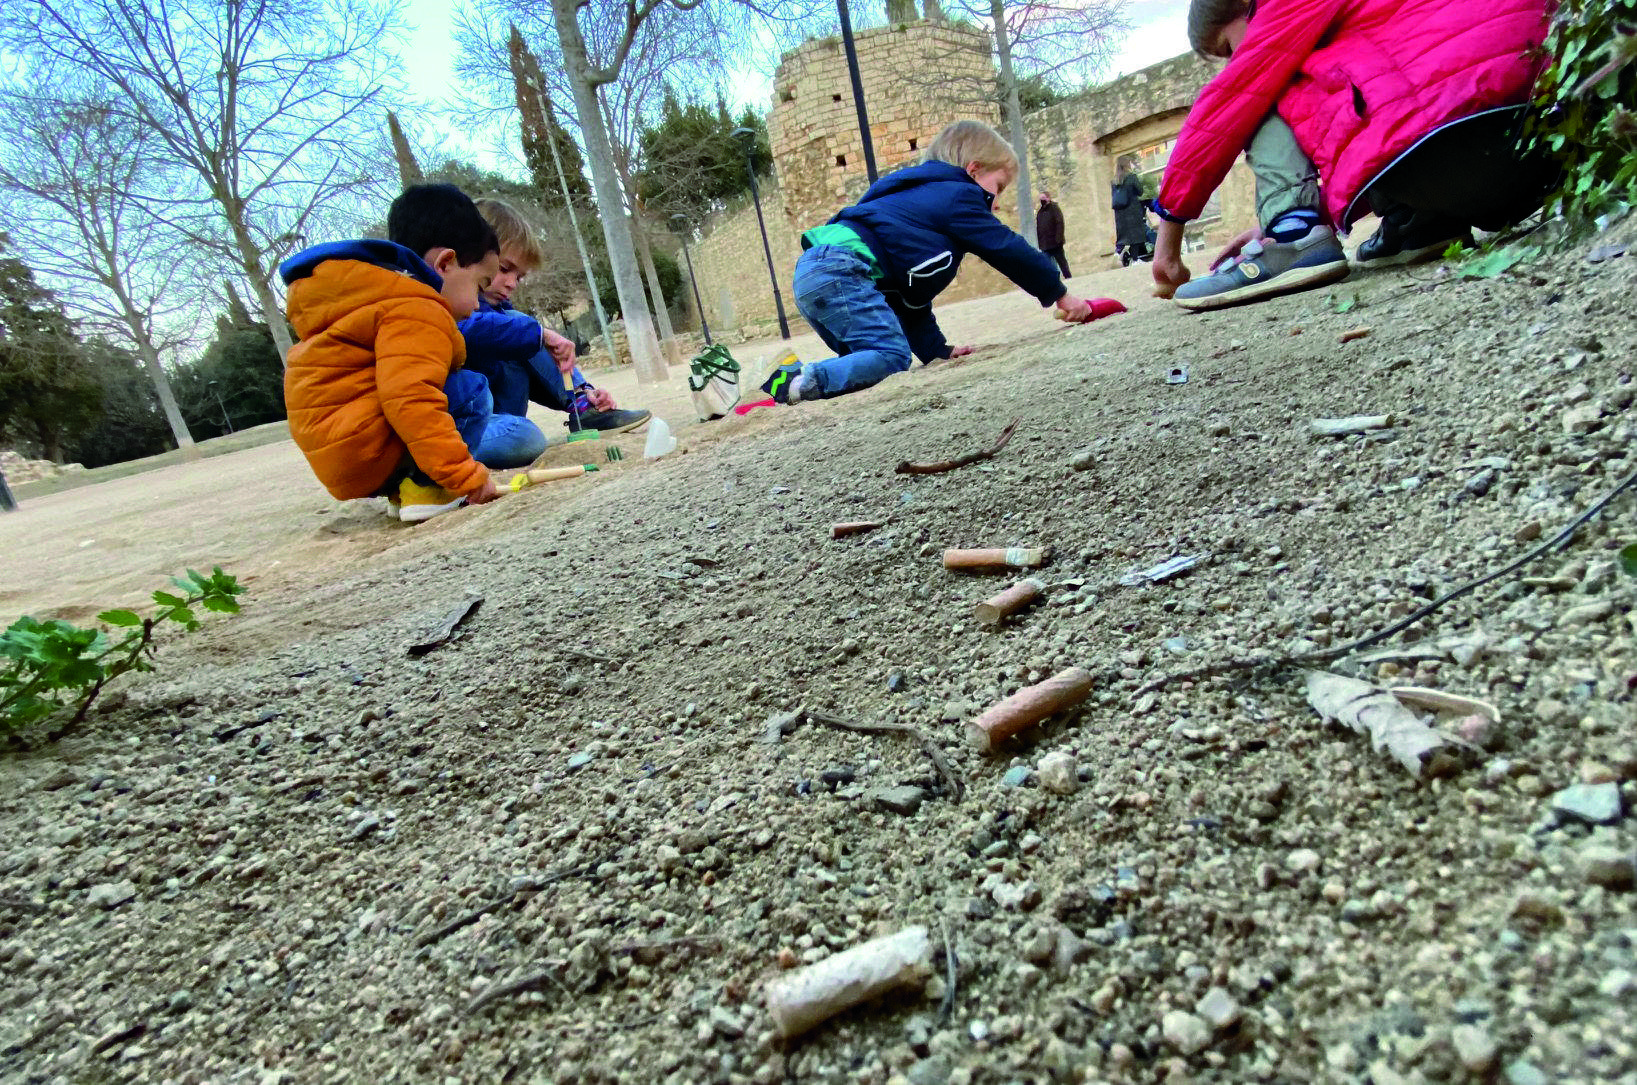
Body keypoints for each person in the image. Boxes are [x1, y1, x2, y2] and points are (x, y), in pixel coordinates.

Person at [1151, 0, 1554, 311]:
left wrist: (1168, 243)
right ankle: (1419, 221)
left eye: (1227, 47)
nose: (1232, 59)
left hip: (1451, 142)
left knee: (1256, 91)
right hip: (1543, 144)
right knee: (1372, 59)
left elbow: (1226, 104)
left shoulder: (1278, 9)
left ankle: (1294, 235)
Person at [761, 120, 1123, 404]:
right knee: (891, 356)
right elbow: (1007, 248)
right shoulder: (958, 195)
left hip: (814, 273)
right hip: (841, 269)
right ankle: (795, 380)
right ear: (974, 170)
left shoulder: (915, 204)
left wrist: (937, 351)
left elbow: (909, 300)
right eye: (998, 187)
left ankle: (783, 383)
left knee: (867, 365)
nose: (997, 202)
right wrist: (1060, 294)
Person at [282, 183, 503, 523]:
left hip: (343, 457)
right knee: (472, 390)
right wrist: (466, 477)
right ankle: (429, 488)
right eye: (480, 285)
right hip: (366, 449)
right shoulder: (417, 307)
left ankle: (404, 490)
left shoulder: (363, 299)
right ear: (445, 263)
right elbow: (412, 397)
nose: (477, 305)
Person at [458, 199, 650, 464]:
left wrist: (583, 389)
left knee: (519, 328)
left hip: (500, 414)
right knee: (525, 435)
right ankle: (445, 458)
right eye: (504, 269)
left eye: (519, 277)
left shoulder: (501, 310)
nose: (512, 283)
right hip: (464, 424)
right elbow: (466, 328)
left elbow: (522, 348)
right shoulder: (446, 303)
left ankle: (584, 406)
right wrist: (540, 334)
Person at [1111, 156, 1153, 266]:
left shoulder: (1114, 181)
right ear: (1126, 165)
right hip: (1133, 210)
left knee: (1122, 235)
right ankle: (1135, 260)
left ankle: (1117, 253)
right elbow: (1140, 191)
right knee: (1136, 235)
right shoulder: (1131, 177)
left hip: (1120, 213)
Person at [1035, 190, 1070, 277]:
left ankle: (1068, 278)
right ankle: (1054, 281)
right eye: (1040, 199)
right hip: (1045, 245)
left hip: (1055, 242)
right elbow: (1039, 228)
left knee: (1062, 262)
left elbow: (1060, 223)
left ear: (1048, 198)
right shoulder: (1040, 212)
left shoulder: (1054, 208)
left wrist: (1059, 239)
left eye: (1043, 198)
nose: (1042, 200)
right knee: (1048, 265)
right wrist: (1040, 243)